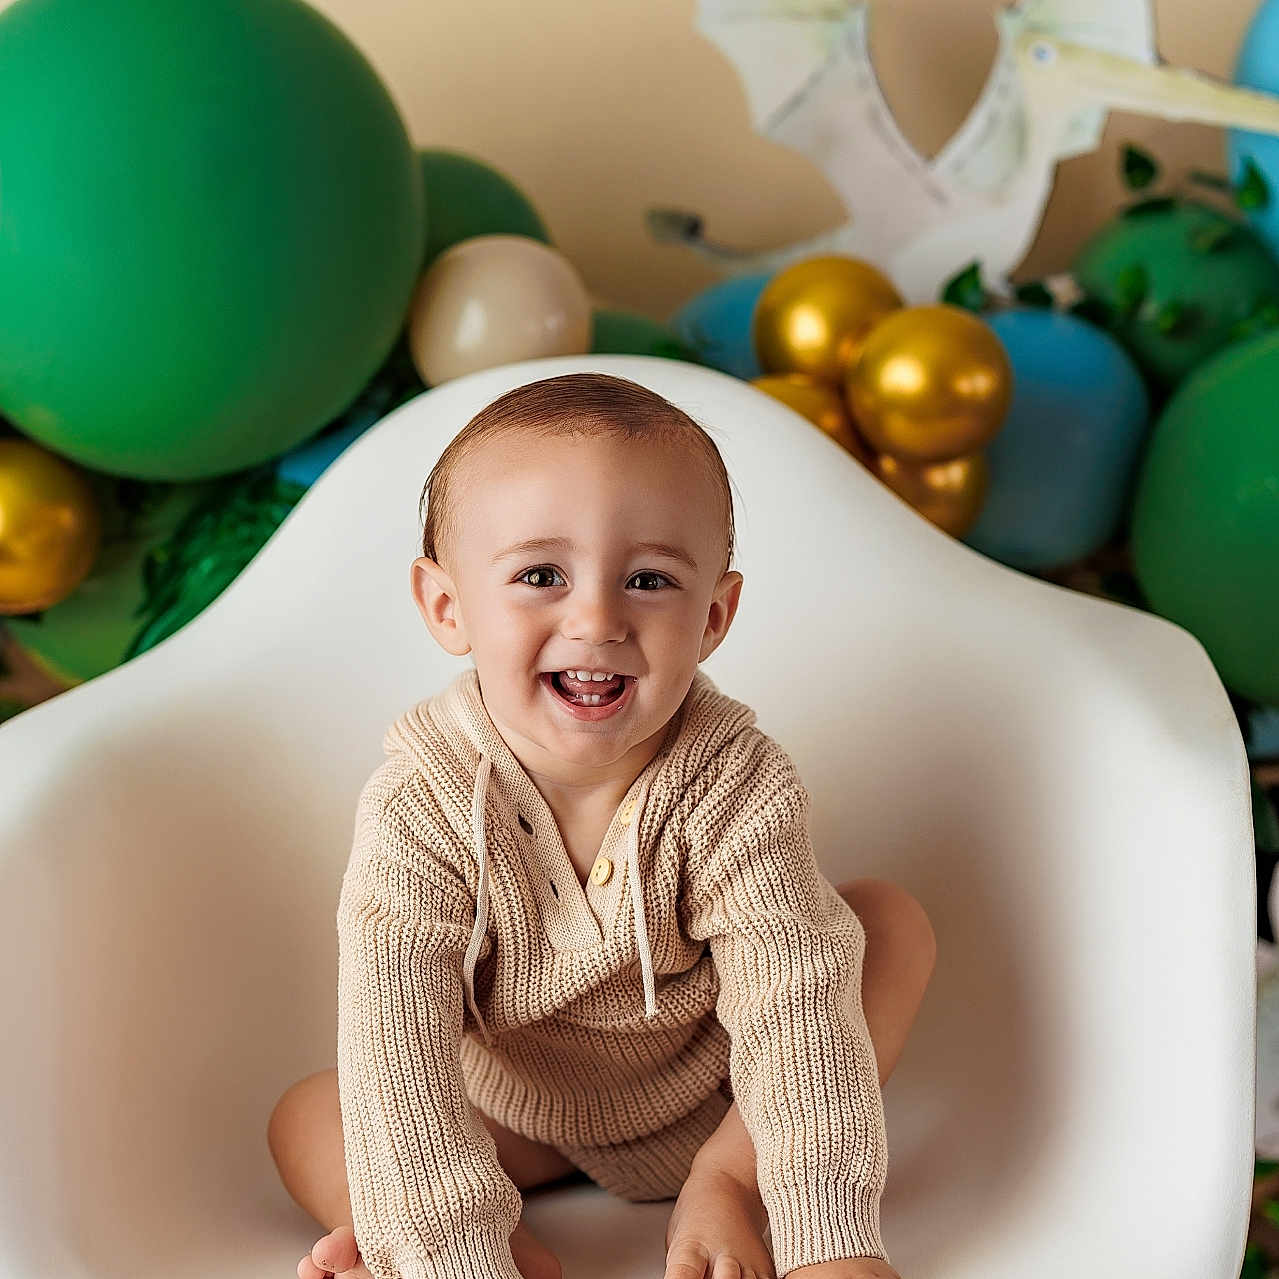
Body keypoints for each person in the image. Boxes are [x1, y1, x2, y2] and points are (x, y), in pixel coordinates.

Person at [266, 372, 936, 1279]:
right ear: (446, 606)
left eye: (648, 579)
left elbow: (793, 1006)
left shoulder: (739, 783)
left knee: (884, 925)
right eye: (541, 575)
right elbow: (398, 1034)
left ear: (712, 616)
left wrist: (827, 1239)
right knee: (314, 1111)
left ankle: (726, 1184)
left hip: (722, 1095)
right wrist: (448, 1252)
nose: (596, 618)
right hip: (515, 1120)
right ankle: (483, 1247)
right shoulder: (419, 803)